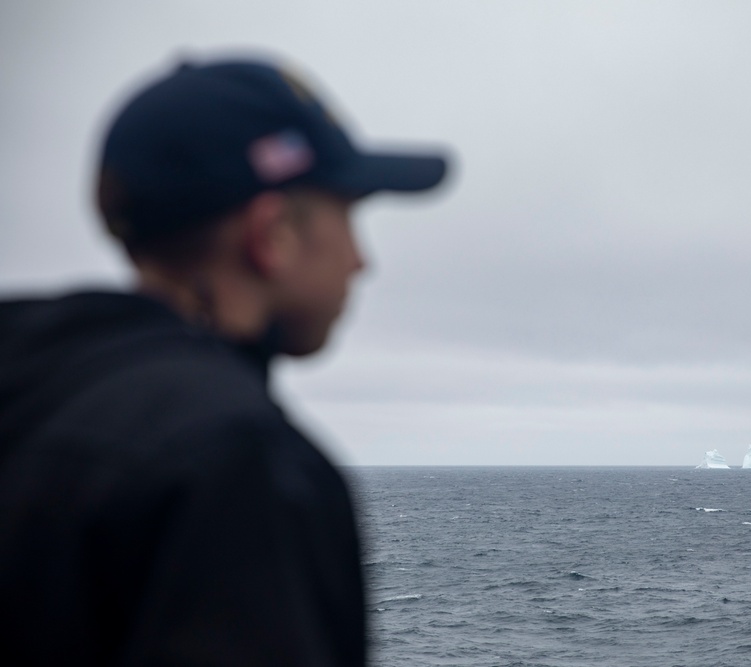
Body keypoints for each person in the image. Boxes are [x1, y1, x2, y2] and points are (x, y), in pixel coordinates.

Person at [0, 56, 448, 665]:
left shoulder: (32, 387)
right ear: (274, 235)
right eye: (349, 217)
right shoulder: (236, 462)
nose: (360, 262)